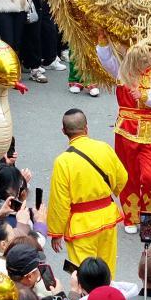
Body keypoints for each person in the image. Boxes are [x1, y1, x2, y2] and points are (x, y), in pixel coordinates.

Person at [96, 40, 151, 235]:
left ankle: (148, 217)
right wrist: (103, 41)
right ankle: (130, 217)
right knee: (128, 176)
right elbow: (105, 59)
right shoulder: (122, 72)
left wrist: (144, 97)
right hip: (126, 132)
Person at [46, 109, 127, 276]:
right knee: (107, 271)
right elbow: (122, 177)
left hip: (81, 226)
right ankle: (108, 299)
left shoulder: (63, 161)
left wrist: (56, 233)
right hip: (108, 218)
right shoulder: (104, 148)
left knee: (83, 275)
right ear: (86, 128)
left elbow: (59, 201)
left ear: (64, 131)